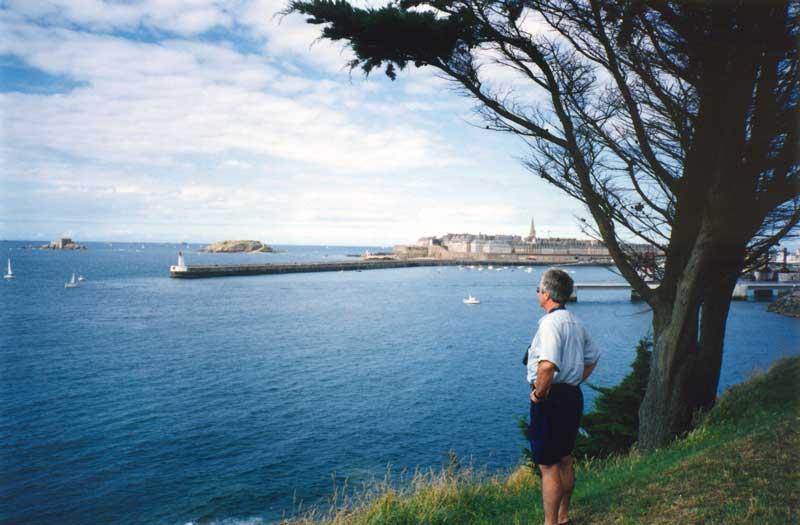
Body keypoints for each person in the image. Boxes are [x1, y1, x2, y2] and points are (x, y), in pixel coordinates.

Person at [526, 268, 601, 525]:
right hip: (572, 396)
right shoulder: (575, 322)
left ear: (546, 293)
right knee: (566, 458)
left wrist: (538, 394)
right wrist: (576, 379)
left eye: (538, 289)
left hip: (551, 398)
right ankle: (563, 517)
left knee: (548, 466)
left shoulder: (549, 323)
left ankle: (550, 523)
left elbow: (547, 366)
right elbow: (594, 356)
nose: (538, 293)